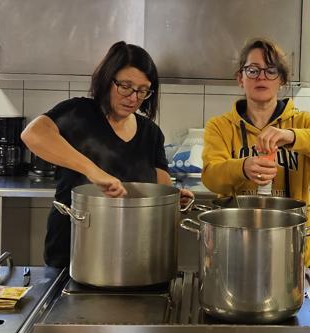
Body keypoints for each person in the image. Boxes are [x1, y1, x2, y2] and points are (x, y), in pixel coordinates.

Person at [21, 40, 189, 269]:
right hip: (73, 248)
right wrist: (93, 171)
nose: (133, 98)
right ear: (107, 79)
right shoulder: (79, 112)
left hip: (130, 252)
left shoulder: (151, 133)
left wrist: (174, 199)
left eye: (142, 90)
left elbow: (160, 187)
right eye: (126, 86)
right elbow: (33, 134)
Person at [201, 38, 310, 259]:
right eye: (253, 70)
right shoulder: (220, 127)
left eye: (271, 70)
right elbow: (211, 177)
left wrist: (293, 136)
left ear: (282, 80)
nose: (261, 77)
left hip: (292, 249)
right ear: (240, 78)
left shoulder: (302, 122)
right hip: (235, 247)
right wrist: (242, 167)